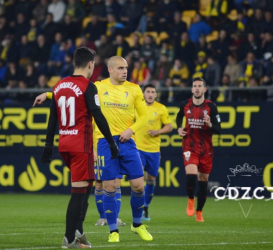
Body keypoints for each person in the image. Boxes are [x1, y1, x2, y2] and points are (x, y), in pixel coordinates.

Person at [34, 56, 153, 243]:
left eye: (126, 68)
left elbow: (144, 118)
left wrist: (131, 130)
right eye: (121, 68)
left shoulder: (134, 89)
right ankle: (113, 230)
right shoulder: (98, 86)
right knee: (109, 186)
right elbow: (75, 93)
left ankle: (137, 225)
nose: (125, 71)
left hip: (128, 141)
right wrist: (48, 95)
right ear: (111, 70)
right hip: (105, 142)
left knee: (139, 185)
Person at [40, 47, 119, 248]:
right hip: (80, 145)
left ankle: (79, 231)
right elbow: (99, 117)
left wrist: (48, 145)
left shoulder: (58, 86)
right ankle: (68, 239)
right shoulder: (88, 86)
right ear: (90, 64)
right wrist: (111, 143)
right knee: (78, 192)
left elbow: (52, 119)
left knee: (86, 187)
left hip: (64, 144)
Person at [175, 77, 221, 222]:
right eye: (194, 86)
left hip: (206, 148)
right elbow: (178, 116)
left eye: (199, 86)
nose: (197, 88)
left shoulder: (211, 107)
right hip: (189, 145)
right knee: (191, 174)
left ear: (204, 89)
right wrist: (179, 128)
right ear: (192, 89)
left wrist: (209, 125)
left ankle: (199, 211)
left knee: (203, 180)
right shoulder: (185, 104)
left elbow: (218, 129)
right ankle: (190, 198)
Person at [135, 84, 173, 221]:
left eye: (153, 92)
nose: (150, 94)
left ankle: (145, 208)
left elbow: (169, 126)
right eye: (148, 92)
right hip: (138, 149)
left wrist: (158, 131)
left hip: (154, 150)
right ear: (143, 94)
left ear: (156, 94)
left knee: (151, 179)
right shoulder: (137, 106)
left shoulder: (161, 108)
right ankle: (138, 210)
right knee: (138, 180)